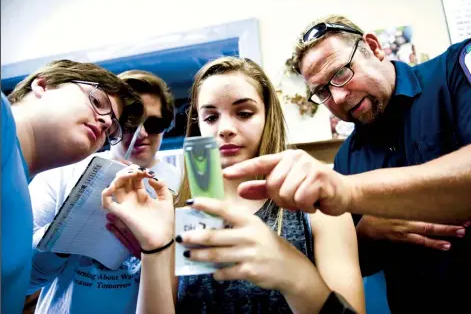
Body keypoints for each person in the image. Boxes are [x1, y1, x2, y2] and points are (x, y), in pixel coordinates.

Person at [220, 15, 471, 313]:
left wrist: (350, 190)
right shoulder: (347, 158)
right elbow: (352, 265)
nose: (338, 97)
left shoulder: (455, 71)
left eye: (341, 74)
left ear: (373, 47)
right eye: (322, 91)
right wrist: (368, 231)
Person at [101, 56, 366, 314]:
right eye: (211, 118)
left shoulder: (317, 209)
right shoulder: (175, 214)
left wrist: (294, 274)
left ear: (267, 117)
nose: (225, 128)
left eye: (244, 113)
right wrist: (154, 249)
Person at [27, 70, 181, 314]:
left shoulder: (182, 185)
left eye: (153, 124)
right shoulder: (64, 170)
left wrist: (157, 255)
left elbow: (192, 287)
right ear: (113, 123)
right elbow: (22, 279)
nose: (141, 134)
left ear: (167, 126)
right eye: (131, 123)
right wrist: (64, 235)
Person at [1, 59, 144, 314]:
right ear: (42, 85)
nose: (104, 123)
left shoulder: (21, 195)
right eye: (97, 102)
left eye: (111, 129)